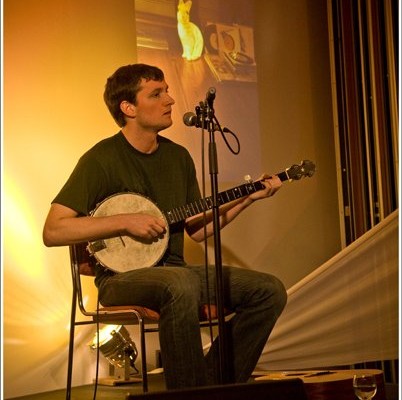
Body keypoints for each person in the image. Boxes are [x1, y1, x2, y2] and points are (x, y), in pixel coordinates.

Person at [43, 63, 287, 390]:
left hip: (176, 273)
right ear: (128, 108)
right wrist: (126, 221)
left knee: (268, 290)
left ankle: (211, 387)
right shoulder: (100, 159)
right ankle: (190, 393)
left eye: (167, 90)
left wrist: (246, 200)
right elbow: (53, 230)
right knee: (180, 284)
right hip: (120, 280)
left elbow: (197, 230)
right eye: (156, 94)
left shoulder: (178, 157)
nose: (170, 100)